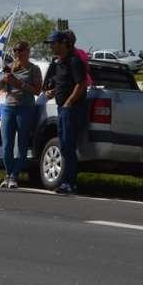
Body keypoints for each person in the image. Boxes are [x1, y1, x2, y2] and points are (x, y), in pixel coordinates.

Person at [44, 31, 87, 195]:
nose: (51, 46)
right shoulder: (59, 63)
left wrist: (69, 102)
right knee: (63, 145)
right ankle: (66, 182)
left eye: (53, 43)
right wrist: (53, 92)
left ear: (63, 43)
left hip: (72, 109)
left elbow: (81, 84)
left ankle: (70, 183)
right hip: (62, 108)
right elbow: (63, 84)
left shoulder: (74, 61)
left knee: (68, 146)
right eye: (50, 43)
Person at [0, 39, 43, 189]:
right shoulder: (10, 67)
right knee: (7, 145)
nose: (17, 53)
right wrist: (4, 79)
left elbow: (37, 90)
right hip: (8, 107)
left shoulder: (34, 69)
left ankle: (14, 175)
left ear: (27, 51)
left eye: (20, 50)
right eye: (15, 50)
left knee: (22, 145)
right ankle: (8, 174)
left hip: (25, 108)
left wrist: (19, 83)